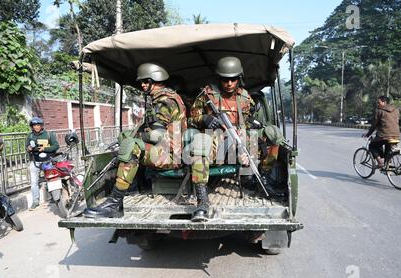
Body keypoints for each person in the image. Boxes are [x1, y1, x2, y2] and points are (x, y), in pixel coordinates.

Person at [83, 62, 187, 218]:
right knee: (127, 139)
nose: (143, 85)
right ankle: (133, 187)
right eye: (141, 82)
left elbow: (156, 136)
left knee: (131, 146)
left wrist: (135, 137)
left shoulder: (165, 101)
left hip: (171, 155)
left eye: (146, 82)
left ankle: (114, 204)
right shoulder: (163, 98)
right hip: (169, 151)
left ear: (155, 80)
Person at [188, 56, 282, 223]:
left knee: (273, 132)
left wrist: (250, 145)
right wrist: (204, 119)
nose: (229, 83)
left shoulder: (245, 98)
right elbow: (190, 119)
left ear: (239, 78)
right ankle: (202, 202)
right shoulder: (207, 94)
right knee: (200, 142)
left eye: (233, 79)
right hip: (215, 140)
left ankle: (263, 178)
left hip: (238, 138)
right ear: (219, 78)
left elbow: (248, 123)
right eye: (225, 79)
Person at [26, 117, 59, 210]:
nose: (36, 127)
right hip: (34, 161)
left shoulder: (48, 134)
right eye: (34, 125)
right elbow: (27, 148)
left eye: (38, 125)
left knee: (51, 179)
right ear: (32, 127)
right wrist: (28, 149)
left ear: (41, 126)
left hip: (47, 161)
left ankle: (54, 198)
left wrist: (45, 149)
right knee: (34, 183)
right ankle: (35, 201)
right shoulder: (30, 136)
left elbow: (56, 146)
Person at [362, 96, 401, 168]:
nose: (377, 104)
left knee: (372, 146)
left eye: (379, 102)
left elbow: (374, 125)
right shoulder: (396, 110)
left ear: (384, 102)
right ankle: (387, 165)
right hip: (396, 136)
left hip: (384, 135)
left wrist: (367, 134)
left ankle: (380, 162)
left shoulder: (380, 111)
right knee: (387, 148)